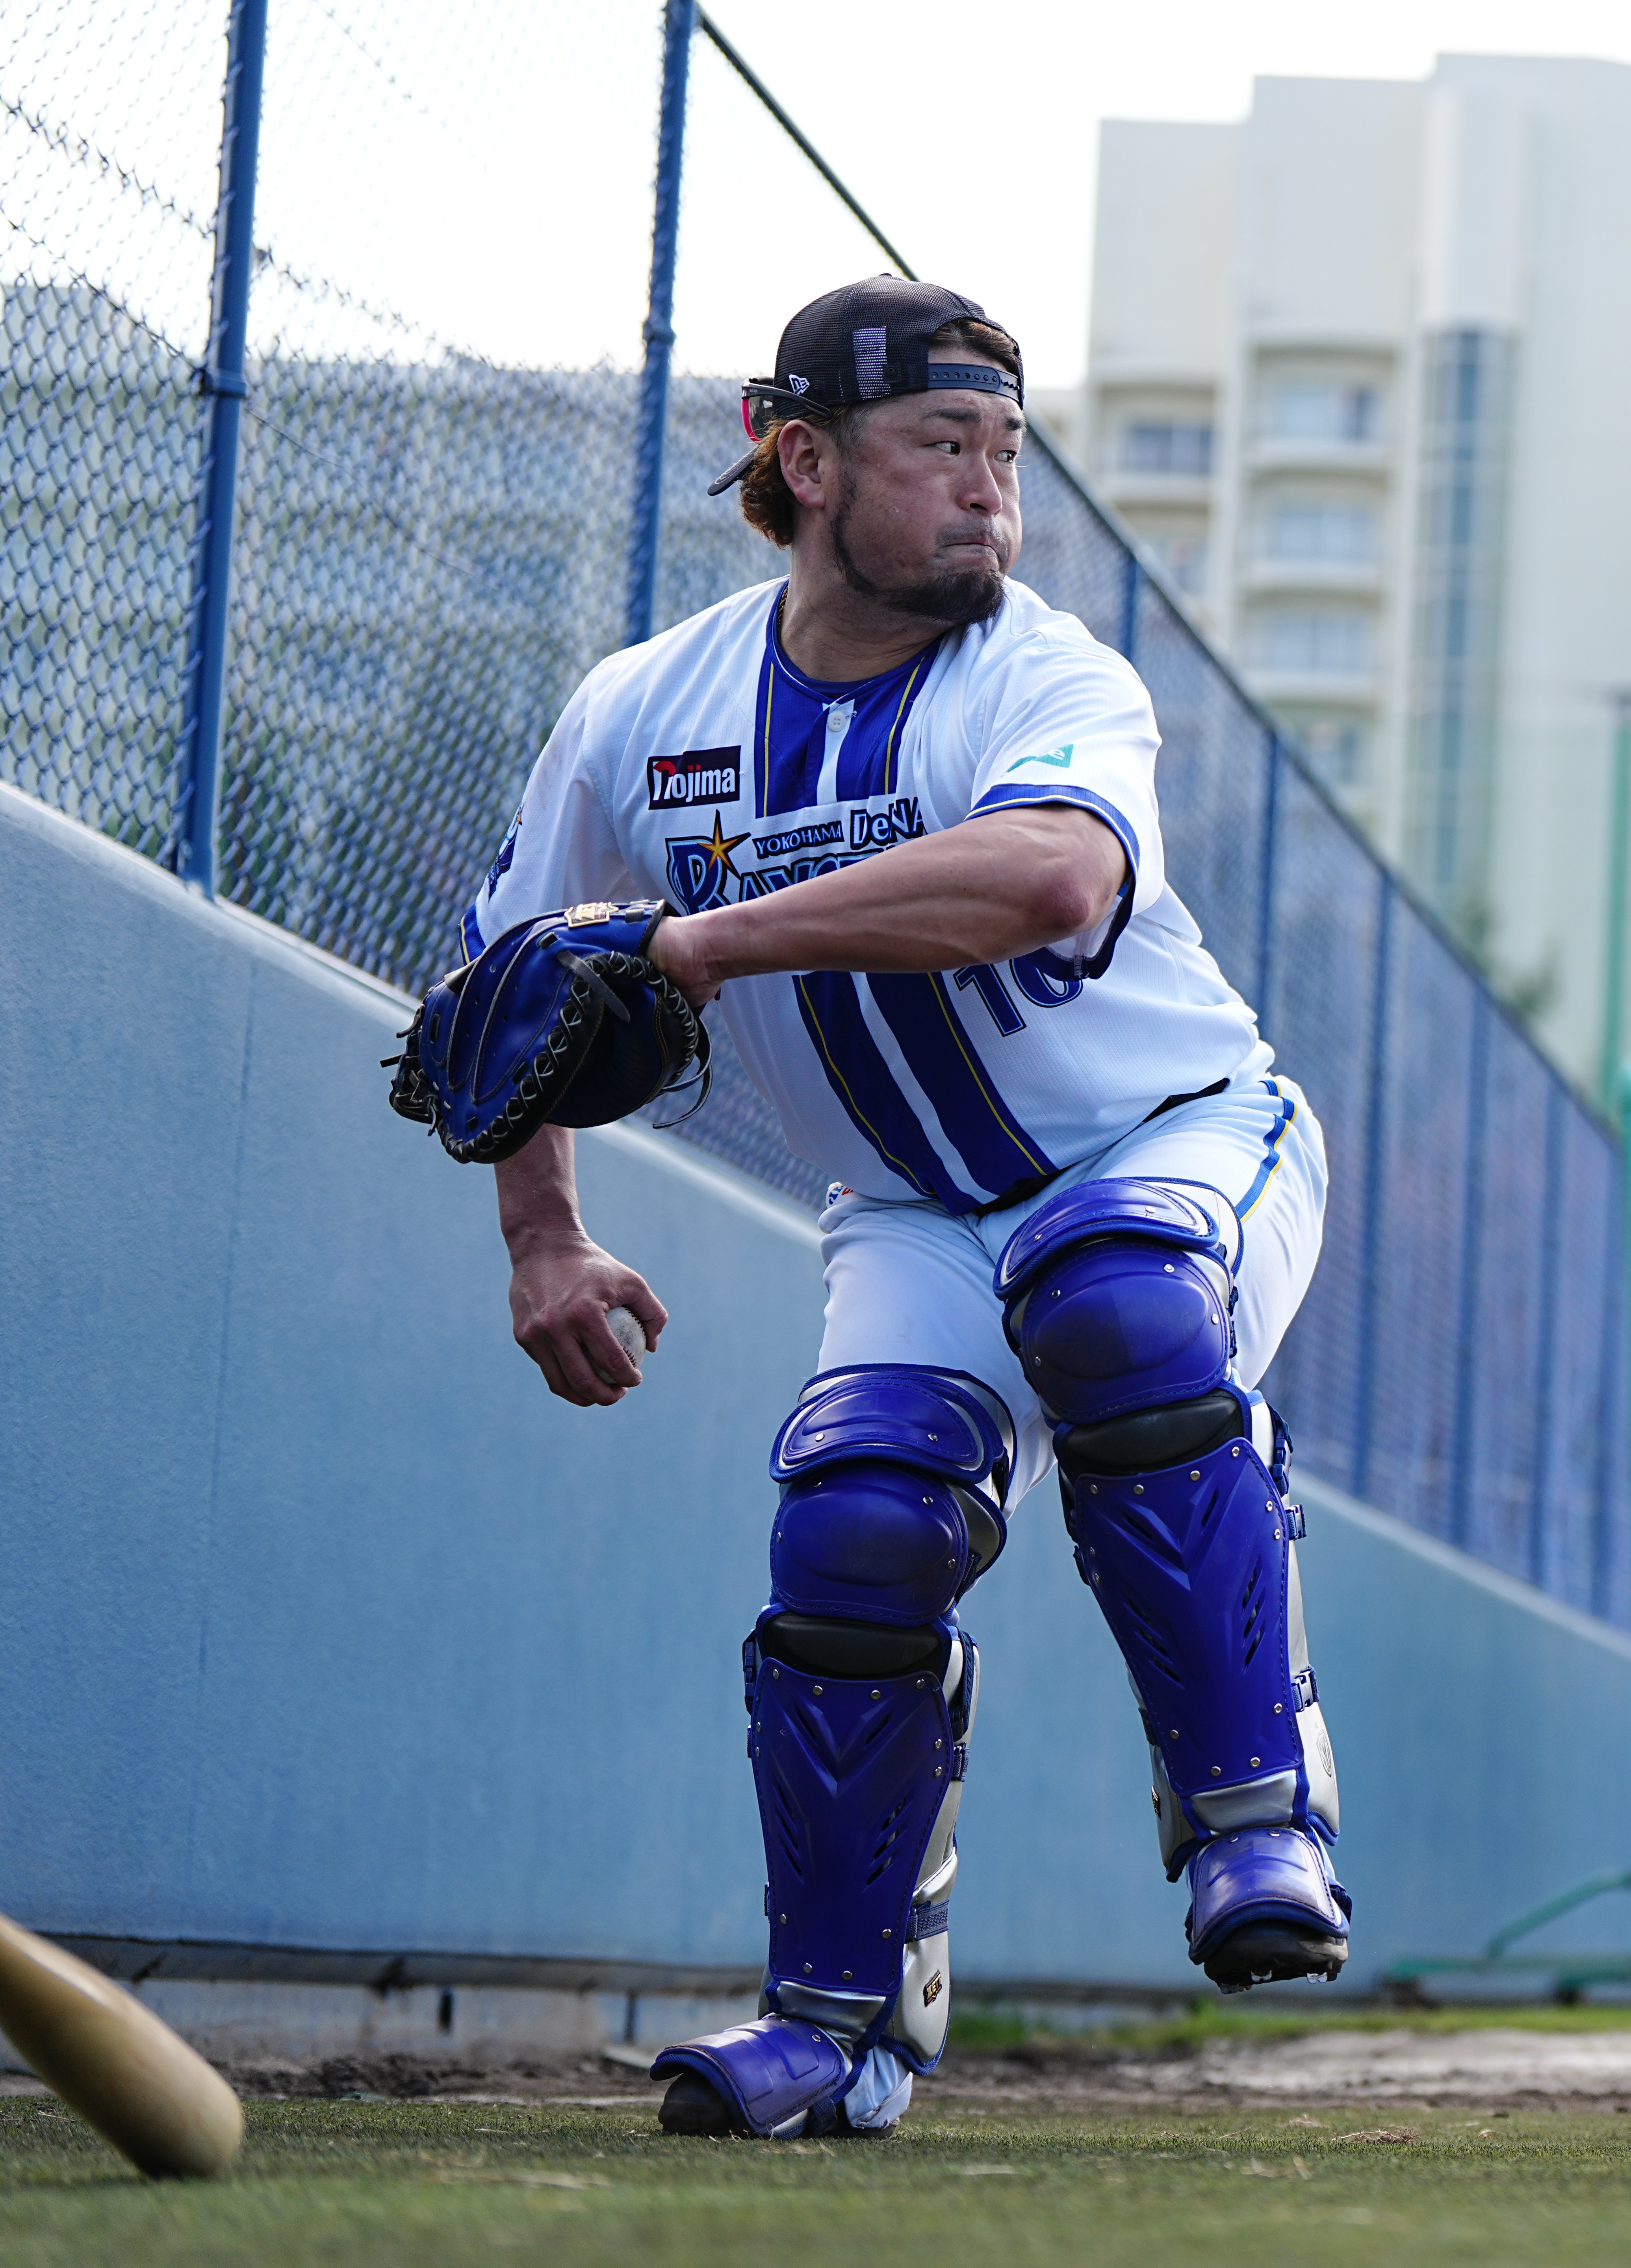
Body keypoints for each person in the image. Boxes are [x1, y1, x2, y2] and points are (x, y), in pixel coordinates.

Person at [467, 278, 1349, 2142]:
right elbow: (513, 988)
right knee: (860, 1518)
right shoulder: (641, 712)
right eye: (945, 446)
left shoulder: (1049, 674)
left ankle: (1255, 1820)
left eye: (1007, 452)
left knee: (1116, 1303)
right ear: (804, 463)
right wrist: (544, 1232)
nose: (990, 491)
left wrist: (701, 941)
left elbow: (1048, 879)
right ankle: (837, 2025)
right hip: (912, 1210)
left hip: (1175, 1138)